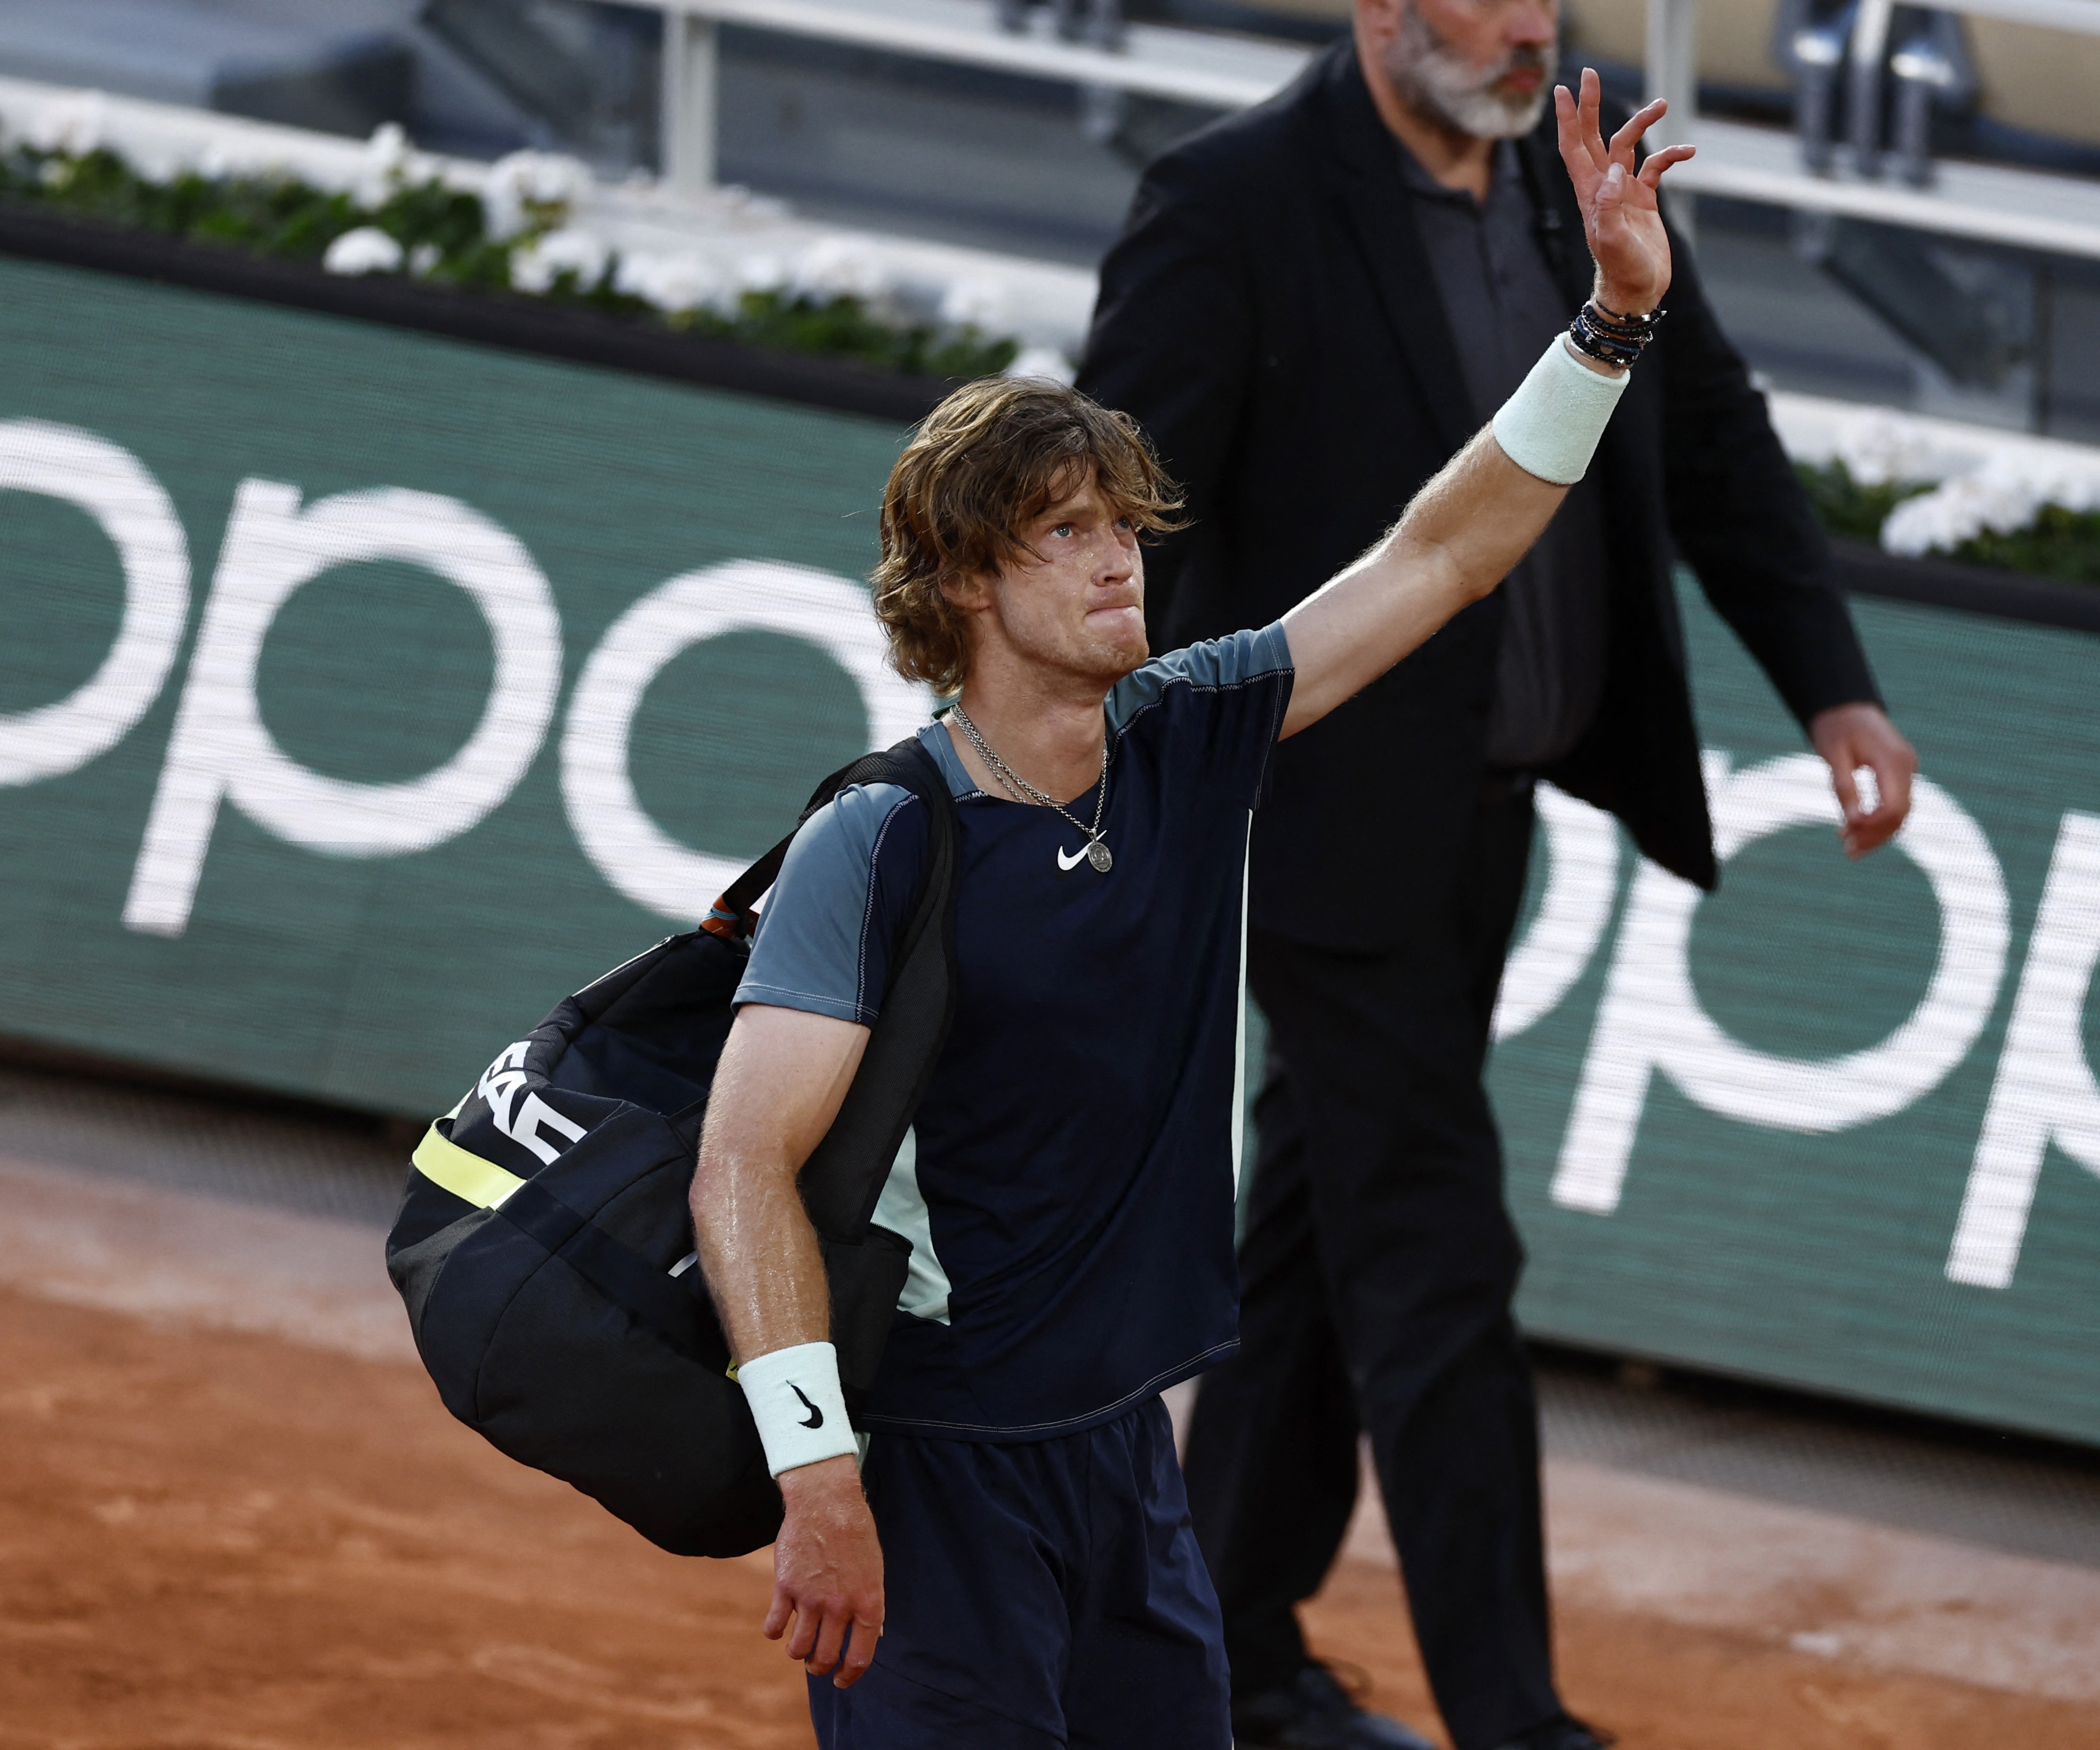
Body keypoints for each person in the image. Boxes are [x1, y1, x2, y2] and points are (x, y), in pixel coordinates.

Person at [686, 75, 1689, 1750]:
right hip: (935, 1473)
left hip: (1121, 1461)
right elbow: (741, 1161)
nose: (1114, 563)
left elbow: (1442, 556)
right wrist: (817, 1470)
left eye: (1120, 528)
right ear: (961, 586)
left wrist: (1610, 320)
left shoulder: (1193, 730)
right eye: (1061, 535)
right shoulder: (880, 835)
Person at [1076, 5, 1921, 1749]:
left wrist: (1827, 679)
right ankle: (1515, 1722)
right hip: (1308, 819)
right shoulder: (1227, 200)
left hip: (1484, 817)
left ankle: (1209, 1653)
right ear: (1383, 7)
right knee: (1436, 1257)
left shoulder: (1566, 191)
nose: (1534, 24)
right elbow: (1121, 521)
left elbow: (1708, 438)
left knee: (1312, 1239)